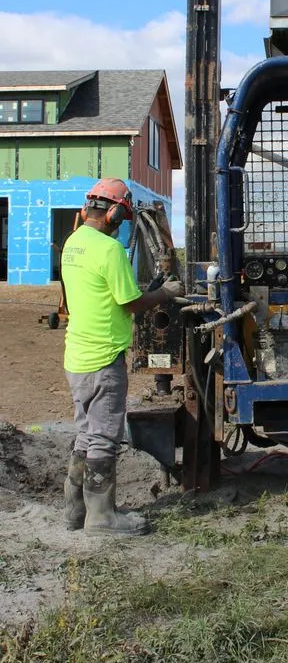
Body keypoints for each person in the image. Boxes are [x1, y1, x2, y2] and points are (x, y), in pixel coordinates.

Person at [60, 178, 184, 537]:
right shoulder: (108, 249)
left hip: (77, 356)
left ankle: (75, 512)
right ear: (114, 212)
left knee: (85, 433)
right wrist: (166, 292)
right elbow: (129, 302)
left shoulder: (74, 243)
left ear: (88, 208)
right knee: (102, 437)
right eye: (123, 216)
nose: (122, 223)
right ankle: (102, 518)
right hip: (103, 358)